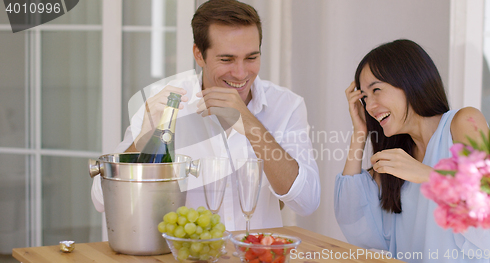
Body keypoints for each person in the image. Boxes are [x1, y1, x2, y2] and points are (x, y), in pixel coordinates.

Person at [91, 0, 320, 231]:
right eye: (226, 59)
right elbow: (101, 199)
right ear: (199, 55)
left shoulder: (287, 105)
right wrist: (144, 140)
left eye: (251, 57)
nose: (241, 73)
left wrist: (250, 124)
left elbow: (307, 202)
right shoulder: (162, 102)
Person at [335, 39, 490, 262]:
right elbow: (352, 219)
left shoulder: (462, 123)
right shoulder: (398, 157)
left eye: (376, 90)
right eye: (364, 97)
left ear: (410, 82)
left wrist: (425, 174)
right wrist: (359, 132)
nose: (370, 106)